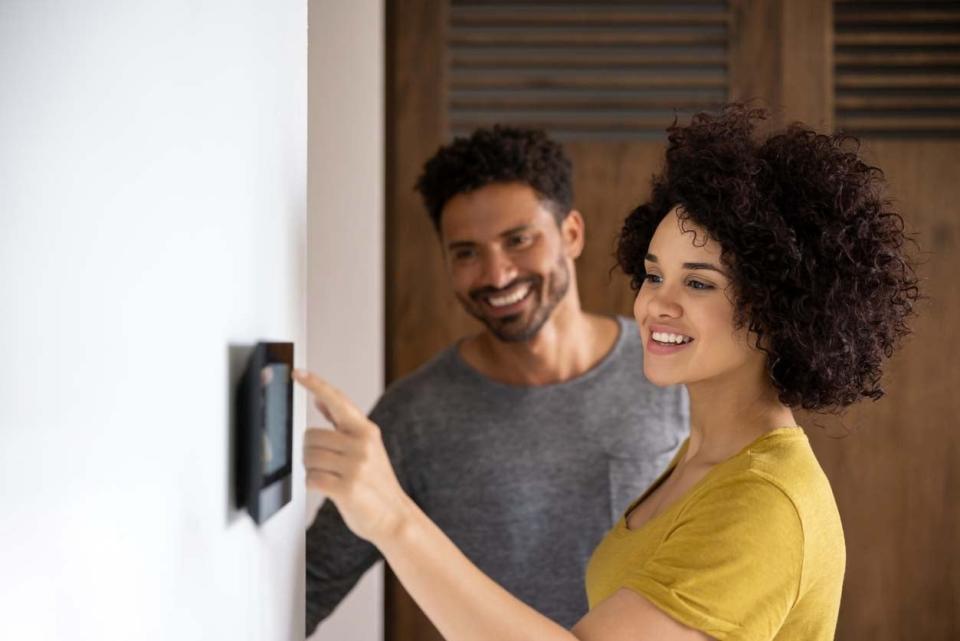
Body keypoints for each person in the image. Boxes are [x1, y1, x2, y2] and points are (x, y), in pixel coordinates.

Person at [296, 105, 920, 641]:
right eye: (653, 274)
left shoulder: (766, 500)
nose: (655, 304)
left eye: (698, 282)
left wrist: (393, 519)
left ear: (780, 302)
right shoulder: (701, 457)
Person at [304, 126, 689, 635]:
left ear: (571, 234)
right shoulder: (413, 417)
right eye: (466, 252)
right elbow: (306, 590)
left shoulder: (674, 375)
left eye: (518, 240)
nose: (497, 273)